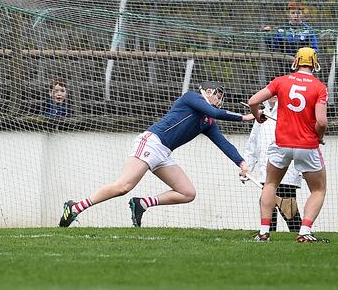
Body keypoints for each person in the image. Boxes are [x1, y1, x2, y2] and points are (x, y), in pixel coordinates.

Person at [59, 81, 256, 228]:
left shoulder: (208, 121)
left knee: (187, 193)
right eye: (219, 97)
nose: (220, 101)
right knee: (123, 186)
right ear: (209, 92)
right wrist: (247, 116)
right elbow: (215, 112)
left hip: (164, 153)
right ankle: (75, 207)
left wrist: (242, 164)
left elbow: (224, 144)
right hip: (152, 142)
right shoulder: (192, 98)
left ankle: (141, 204)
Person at [247, 47, 329, 243]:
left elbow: (253, 101)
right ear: (315, 63)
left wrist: (257, 115)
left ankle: (264, 232)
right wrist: (318, 137)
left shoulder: (280, 81)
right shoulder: (319, 87)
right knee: (318, 190)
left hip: (281, 144)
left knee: (270, 184)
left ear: (296, 62)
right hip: (307, 146)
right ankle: (304, 232)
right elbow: (322, 122)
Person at [243, 96, 302, 232]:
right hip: (266, 174)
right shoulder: (261, 117)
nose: (274, 96)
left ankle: (301, 234)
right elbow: (252, 145)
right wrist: (247, 167)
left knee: (289, 210)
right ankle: (267, 235)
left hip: (287, 174)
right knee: (268, 208)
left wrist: (302, 169)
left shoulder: (291, 114)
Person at [263, 0, 319, 77]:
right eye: (293, 13)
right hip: (285, 67)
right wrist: (267, 35)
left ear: (302, 14)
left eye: (298, 13)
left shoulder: (308, 30)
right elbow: (273, 46)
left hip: (303, 67)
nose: (296, 16)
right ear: (288, 14)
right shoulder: (281, 30)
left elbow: (315, 48)